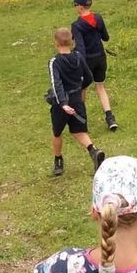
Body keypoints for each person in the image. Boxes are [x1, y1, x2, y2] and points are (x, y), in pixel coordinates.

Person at [47, 27, 106, 176]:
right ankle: (94, 151)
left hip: (62, 104)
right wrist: (79, 89)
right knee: (79, 130)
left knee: (57, 132)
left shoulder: (55, 62)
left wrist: (63, 104)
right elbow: (88, 77)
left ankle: (58, 161)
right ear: (72, 41)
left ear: (56, 43)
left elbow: (57, 84)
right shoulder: (79, 57)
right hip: (77, 99)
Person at [72, 0, 118, 131]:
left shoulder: (77, 25)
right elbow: (106, 38)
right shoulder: (98, 18)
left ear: (79, 7)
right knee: (100, 87)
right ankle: (110, 118)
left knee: (82, 89)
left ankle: (81, 120)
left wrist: (79, 64)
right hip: (101, 58)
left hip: (87, 61)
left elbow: (80, 49)